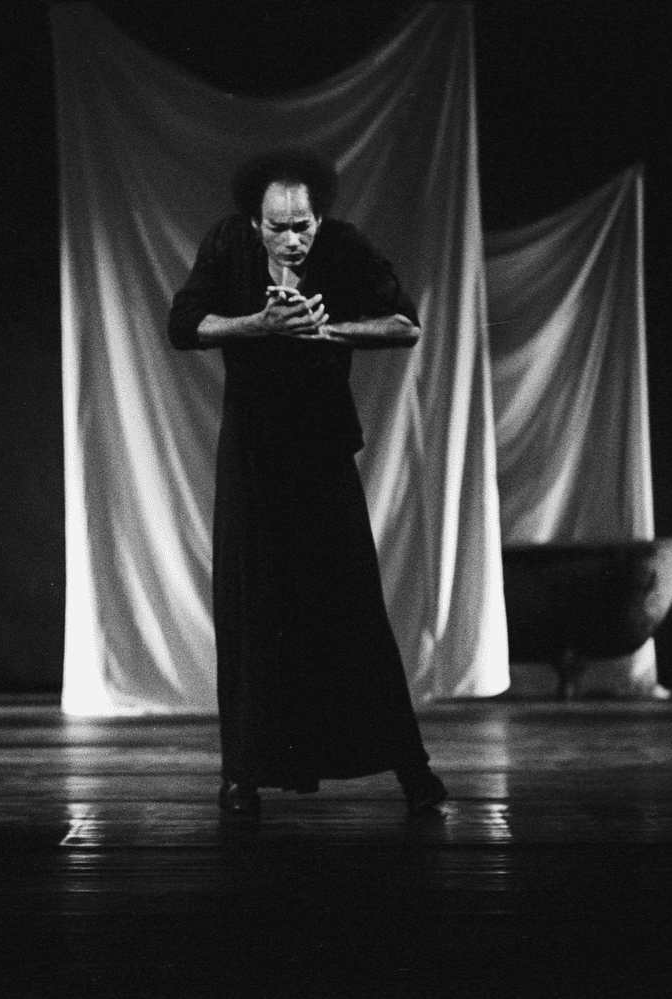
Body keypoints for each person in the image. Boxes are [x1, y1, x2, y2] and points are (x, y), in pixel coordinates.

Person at [167, 148, 448, 823]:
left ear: (319, 217)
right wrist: (257, 325)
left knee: (349, 600)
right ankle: (242, 775)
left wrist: (328, 331)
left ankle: (413, 769)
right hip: (254, 456)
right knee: (251, 605)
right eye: (278, 226)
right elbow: (185, 326)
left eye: (303, 225)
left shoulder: (343, 248)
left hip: (320, 449)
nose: (292, 238)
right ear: (254, 221)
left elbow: (405, 323)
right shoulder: (228, 246)